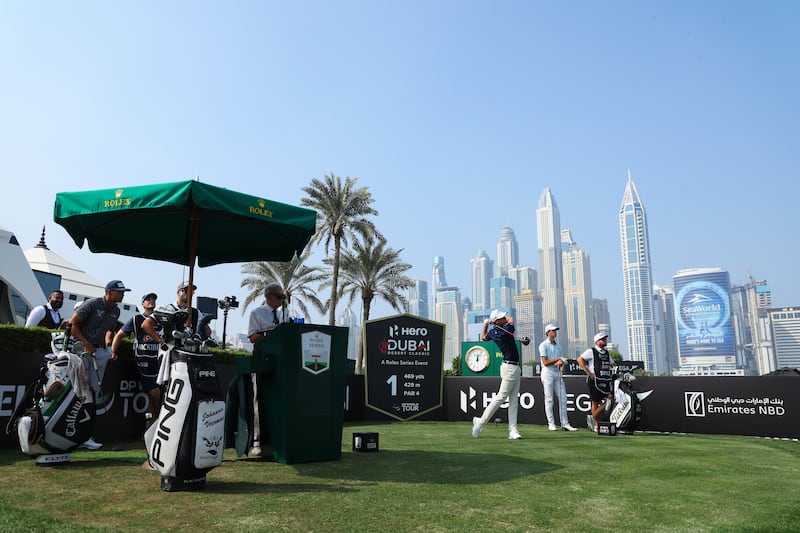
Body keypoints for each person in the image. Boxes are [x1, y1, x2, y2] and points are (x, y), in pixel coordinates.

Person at [68, 280, 132, 449]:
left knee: (93, 391)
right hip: (81, 350)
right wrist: (86, 343)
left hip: (98, 353)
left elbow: (110, 330)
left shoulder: (116, 311)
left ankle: (87, 436)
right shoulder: (92, 304)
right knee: (80, 390)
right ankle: (75, 435)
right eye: (120, 291)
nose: (123, 294)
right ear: (110, 292)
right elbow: (72, 325)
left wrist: (108, 346)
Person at [110, 293, 163, 424]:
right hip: (143, 363)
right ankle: (155, 421)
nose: (151, 301)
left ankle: (150, 424)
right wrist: (112, 351)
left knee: (155, 395)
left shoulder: (161, 321)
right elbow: (119, 335)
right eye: (147, 299)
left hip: (159, 363)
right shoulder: (136, 319)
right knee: (154, 393)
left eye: (153, 299)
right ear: (142, 304)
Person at [471, 309, 523, 440]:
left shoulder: (493, 332)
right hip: (510, 368)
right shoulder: (506, 329)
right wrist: (495, 322)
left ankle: (513, 430)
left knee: (513, 401)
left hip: (514, 367)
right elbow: (511, 319)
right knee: (501, 397)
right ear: (497, 321)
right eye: (501, 318)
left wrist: (485, 324)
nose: (504, 318)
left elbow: (483, 338)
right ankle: (481, 422)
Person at [538, 324, 578, 432]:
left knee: (563, 399)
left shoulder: (559, 346)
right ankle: (551, 423)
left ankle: (565, 423)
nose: (555, 332)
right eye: (553, 330)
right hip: (547, 373)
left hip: (557, 373)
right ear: (548, 332)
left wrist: (560, 361)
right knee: (549, 399)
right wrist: (558, 359)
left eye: (555, 330)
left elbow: (559, 361)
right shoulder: (543, 345)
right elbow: (545, 362)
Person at [142, 281, 211, 340]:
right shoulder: (167, 309)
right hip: (170, 350)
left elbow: (207, 331)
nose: (189, 293)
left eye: (192, 292)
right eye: (187, 290)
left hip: (188, 352)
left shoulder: (196, 312)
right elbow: (146, 324)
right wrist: (160, 341)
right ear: (178, 292)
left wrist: (198, 340)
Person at [578, 333, 617, 432]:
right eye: (602, 339)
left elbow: (612, 364)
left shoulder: (606, 353)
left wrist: (615, 368)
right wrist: (588, 372)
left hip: (605, 380)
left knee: (609, 400)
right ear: (597, 341)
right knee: (595, 402)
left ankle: (592, 418)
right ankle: (595, 424)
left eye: (605, 339)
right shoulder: (591, 351)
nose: (605, 341)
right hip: (594, 381)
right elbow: (580, 359)